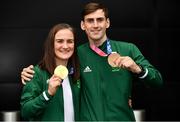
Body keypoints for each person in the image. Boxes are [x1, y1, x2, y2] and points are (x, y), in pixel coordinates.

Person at [21, 2, 163, 121]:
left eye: (100, 19)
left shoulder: (128, 49)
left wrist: (137, 68)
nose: (95, 25)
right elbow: (53, 66)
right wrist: (28, 73)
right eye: (90, 20)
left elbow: (157, 81)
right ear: (83, 25)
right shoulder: (76, 54)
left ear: (107, 22)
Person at [20, 23, 80, 121]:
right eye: (60, 41)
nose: (65, 46)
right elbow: (25, 112)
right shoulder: (36, 73)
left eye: (70, 41)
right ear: (51, 44)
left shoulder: (76, 72)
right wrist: (48, 94)